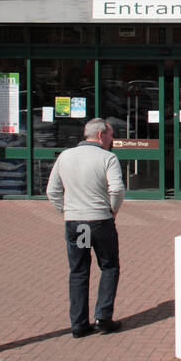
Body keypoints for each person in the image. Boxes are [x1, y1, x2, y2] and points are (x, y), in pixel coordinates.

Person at [46, 117, 125, 338]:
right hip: (100, 221)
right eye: (110, 135)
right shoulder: (108, 158)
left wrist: (66, 210)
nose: (112, 139)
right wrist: (113, 210)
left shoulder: (65, 156)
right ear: (101, 135)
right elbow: (117, 189)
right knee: (109, 267)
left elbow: (52, 191)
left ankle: (79, 324)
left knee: (79, 271)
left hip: (76, 223)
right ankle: (103, 317)